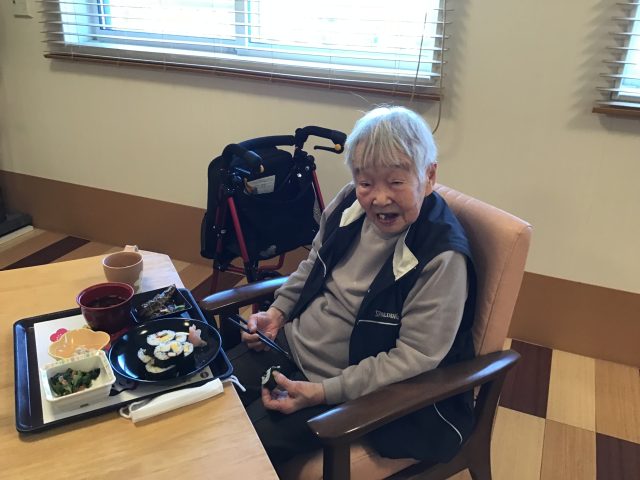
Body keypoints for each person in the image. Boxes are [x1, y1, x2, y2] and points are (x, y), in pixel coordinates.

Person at [227, 106, 477, 467]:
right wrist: (278, 312)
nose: (379, 198)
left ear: (429, 176)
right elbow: (313, 263)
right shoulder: (349, 204)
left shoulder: (441, 255)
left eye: (396, 182)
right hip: (289, 344)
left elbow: (414, 357)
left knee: (240, 448)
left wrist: (323, 392)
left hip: (348, 387)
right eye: (366, 183)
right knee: (213, 391)